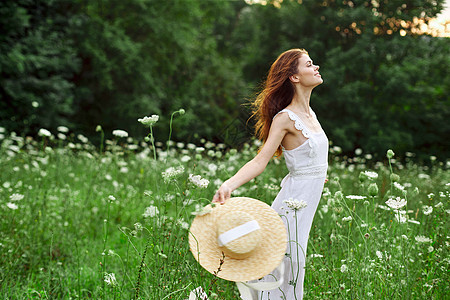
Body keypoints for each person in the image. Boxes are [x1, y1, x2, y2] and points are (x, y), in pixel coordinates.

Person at [212, 48, 329, 299]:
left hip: (305, 203)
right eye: (309, 64)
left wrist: (317, 176)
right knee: (286, 268)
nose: (316, 67)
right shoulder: (285, 118)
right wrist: (228, 185)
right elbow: (260, 160)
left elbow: (310, 159)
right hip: (292, 207)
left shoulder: (312, 115)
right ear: (294, 77)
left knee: (293, 267)